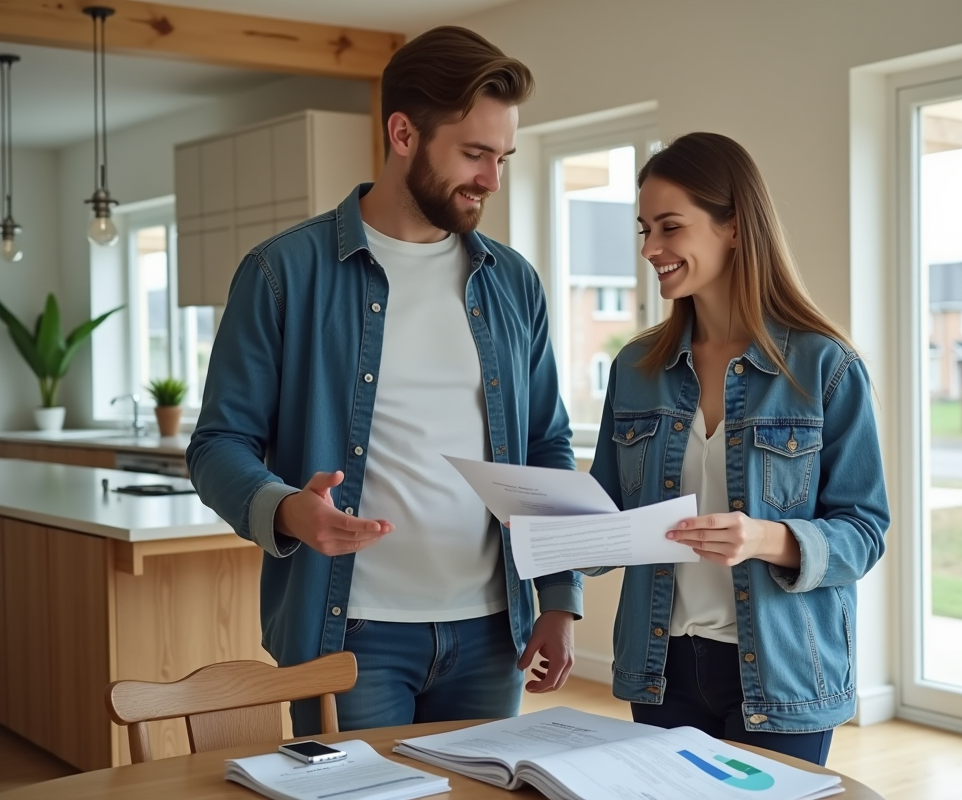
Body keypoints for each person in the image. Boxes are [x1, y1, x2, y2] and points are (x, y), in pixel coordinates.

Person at [186, 26, 581, 736]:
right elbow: (217, 443)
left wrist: (559, 597)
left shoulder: (513, 283)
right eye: (473, 154)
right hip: (348, 637)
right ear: (403, 133)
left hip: (493, 635)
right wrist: (285, 509)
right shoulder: (284, 274)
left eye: (503, 157)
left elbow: (546, 446)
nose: (492, 180)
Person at [588, 132, 889, 765]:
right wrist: (546, 524)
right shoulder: (637, 367)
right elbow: (607, 515)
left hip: (782, 674)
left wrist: (764, 538)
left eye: (670, 227)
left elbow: (864, 532)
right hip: (660, 665)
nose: (652, 249)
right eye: (644, 230)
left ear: (732, 227)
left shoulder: (824, 368)